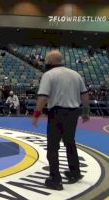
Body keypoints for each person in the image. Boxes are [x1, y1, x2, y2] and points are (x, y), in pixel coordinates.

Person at [31, 50, 90, 190]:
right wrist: (86, 112)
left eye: (46, 60)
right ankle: (75, 172)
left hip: (57, 113)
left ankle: (55, 179)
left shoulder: (49, 75)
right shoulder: (75, 74)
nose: (45, 63)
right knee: (70, 142)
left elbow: (43, 97)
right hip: (73, 113)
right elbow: (85, 95)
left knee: (52, 146)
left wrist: (36, 114)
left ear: (50, 62)